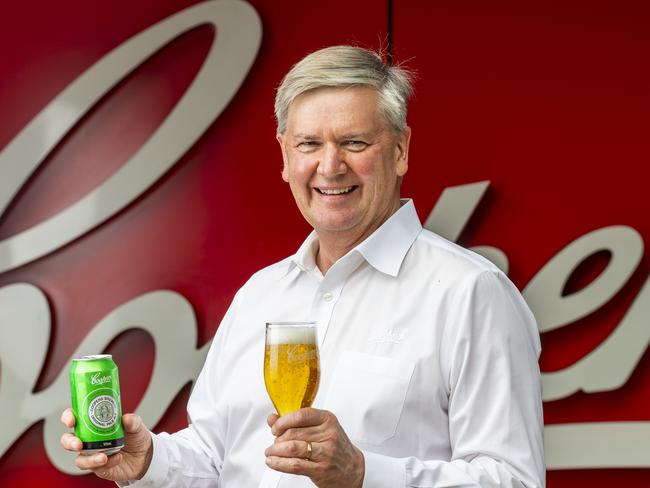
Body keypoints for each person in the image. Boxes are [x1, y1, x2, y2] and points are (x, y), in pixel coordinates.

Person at [61, 45, 545, 487]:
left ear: (400, 150)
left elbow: (515, 480)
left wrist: (364, 474)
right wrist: (148, 462)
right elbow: (214, 458)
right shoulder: (259, 294)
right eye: (309, 144)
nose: (330, 167)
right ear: (284, 156)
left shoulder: (471, 293)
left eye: (354, 142)